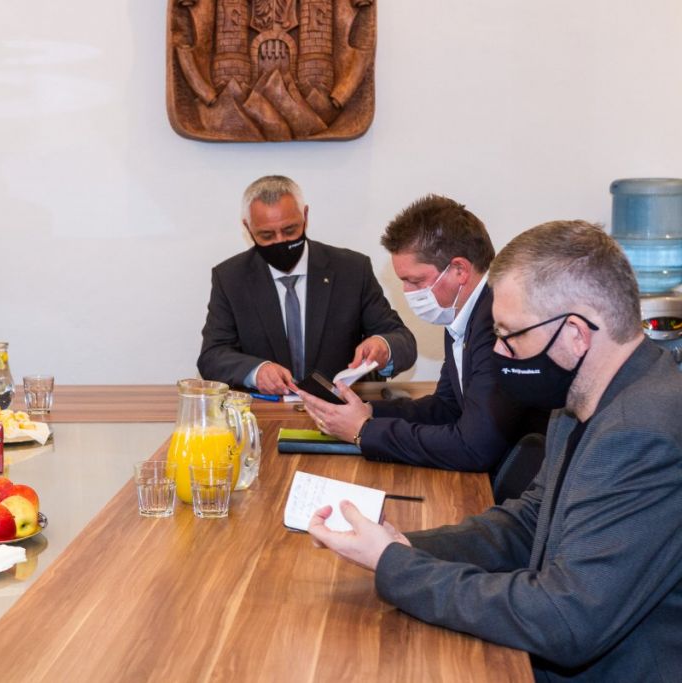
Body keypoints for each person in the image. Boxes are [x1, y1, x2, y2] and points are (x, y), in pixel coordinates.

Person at [307, 221, 682, 681]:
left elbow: (565, 620)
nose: (499, 353)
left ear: (575, 333)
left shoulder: (640, 432)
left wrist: (397, 567)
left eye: (510, 335)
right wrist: (402, 545)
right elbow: (528, 524)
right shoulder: (580, 403)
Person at [299, 195, 548, 473]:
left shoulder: (497, 324)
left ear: (459, 270)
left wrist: (364, 431)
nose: (408, 293)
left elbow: (473, 448)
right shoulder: (462, 313)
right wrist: (369, 412)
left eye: (415, 281)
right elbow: (446, 407)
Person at [197, 175, 416, 394]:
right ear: (248, 227)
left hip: (341, 406)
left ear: (305, 216)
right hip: (266, 409)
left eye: (290, 230)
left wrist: (383, 346)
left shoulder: (352, 270)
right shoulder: (230, 278)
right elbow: (212, 356)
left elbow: (402, 339)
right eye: (266, 235)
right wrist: (256, 371)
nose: (280, 241)